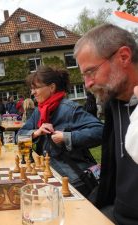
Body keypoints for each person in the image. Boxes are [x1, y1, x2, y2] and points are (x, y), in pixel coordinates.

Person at [74, 23, 138, 224]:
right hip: (116, 213)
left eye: (91, 72)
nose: (87, 84)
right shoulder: (114, 102)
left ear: (124, 57)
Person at [18, 66, 103, 197]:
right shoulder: (39, 111)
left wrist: (67, 137)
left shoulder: (70, 109)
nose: (32, 92)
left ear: (51, 87)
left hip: (73, 179)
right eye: (31, 88)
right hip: (50, 175)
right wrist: (36, 132)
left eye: (36, 88)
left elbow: (100, 131)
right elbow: (19, 137)